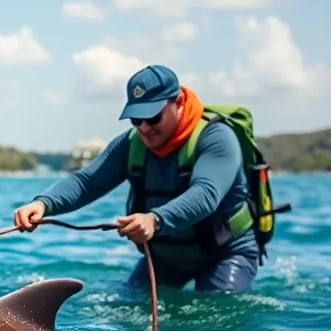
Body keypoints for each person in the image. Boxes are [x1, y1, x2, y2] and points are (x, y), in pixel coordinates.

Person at [13, 64, 259, 292]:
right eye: (136, 119)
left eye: (153, 117)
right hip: (164, 257)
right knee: (126, 309)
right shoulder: (131, 144)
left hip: (225, 253)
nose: (144, 128)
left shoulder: (217, 137)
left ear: (179, 102)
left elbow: (206, 194)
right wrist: (43, 204)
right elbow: (87, 182)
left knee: (215, 319)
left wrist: (155, 219)